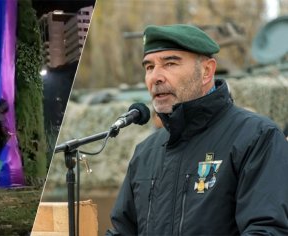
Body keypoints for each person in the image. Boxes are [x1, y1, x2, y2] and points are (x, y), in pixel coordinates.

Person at [107, 24, 288, 235]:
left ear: (206, 71)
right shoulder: (146, 152)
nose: (155, 77)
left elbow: (267, 230)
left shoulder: (257, 137)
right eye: (149, 67)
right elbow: (122, 230)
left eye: (170, 63)